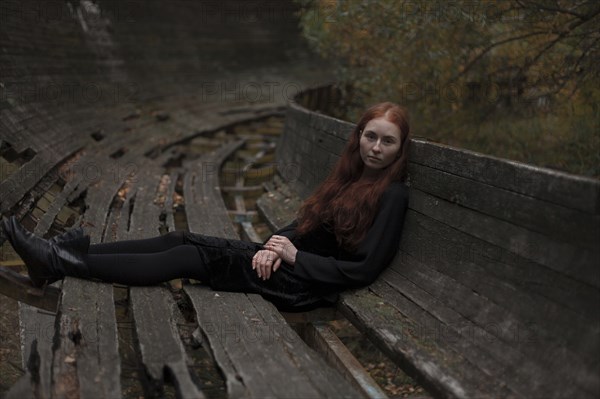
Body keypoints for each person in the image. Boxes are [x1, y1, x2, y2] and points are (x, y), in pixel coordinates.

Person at [1, 102, 411, 312]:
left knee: (188, 258)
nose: (375, 147)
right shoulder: (350, 177)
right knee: (180, 236)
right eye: (370, 136)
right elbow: (307, 225)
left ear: (399, 148)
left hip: (306, 285)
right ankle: (60, 254)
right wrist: (275, 245)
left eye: (387, 141)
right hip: (285, 264)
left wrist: (294, 257)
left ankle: (59, 263)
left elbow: (363, 269)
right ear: (358, 135)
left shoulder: (392, 195)